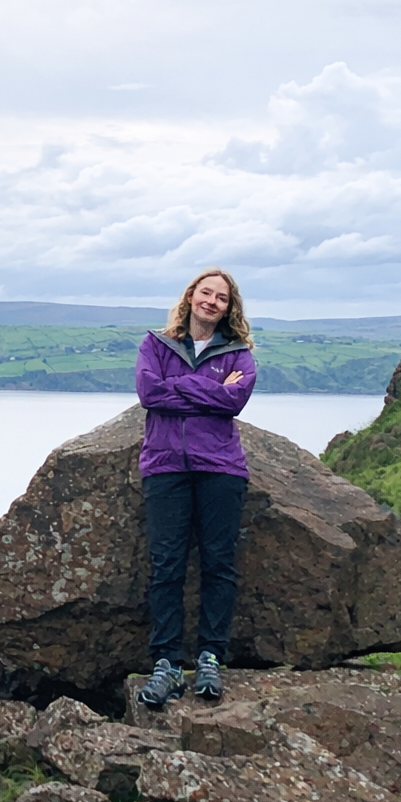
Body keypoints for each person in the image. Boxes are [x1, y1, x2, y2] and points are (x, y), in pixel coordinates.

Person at [135, 268, 256, 707]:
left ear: (229, 308)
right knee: (166, 566)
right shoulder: (155, 344)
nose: (212, 302)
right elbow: (149, 393)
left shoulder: (238, 352)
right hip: (165, 466)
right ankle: (165, 662)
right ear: (191, 297)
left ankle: (210, 657)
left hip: (220, 468)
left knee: (218, 564)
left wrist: (179, 389)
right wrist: (207, 388)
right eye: (206, 293)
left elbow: (236, 400)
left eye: (221, 298)